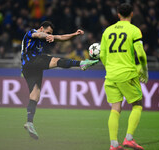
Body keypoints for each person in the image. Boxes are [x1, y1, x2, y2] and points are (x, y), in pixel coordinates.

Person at [21, 21, 98, 140]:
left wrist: (74, 34)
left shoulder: (46, 36)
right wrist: (46, 36)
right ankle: (81, 63)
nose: (49, 35)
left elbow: (61, 38)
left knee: (35, 95)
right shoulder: (32, 32)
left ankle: (29, 122)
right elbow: (38, 35)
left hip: (29, 69)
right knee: (55, 60)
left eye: (50, 33)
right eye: (47, 32)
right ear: (41, 28)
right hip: (32, 61)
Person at [100, 3, 148, 150]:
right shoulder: (134, 30)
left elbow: (102, 54)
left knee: (115, 108)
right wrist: (144, 71)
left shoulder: (107, 31)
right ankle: (129, 139)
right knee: (137, 104)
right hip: (127, 73)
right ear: (132, 14)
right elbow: (140, 53)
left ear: (118, 14)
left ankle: (113, 144)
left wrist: (110, 68)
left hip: (111, 76)